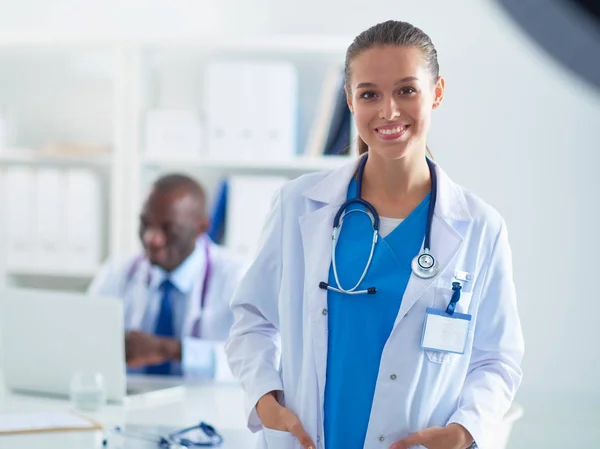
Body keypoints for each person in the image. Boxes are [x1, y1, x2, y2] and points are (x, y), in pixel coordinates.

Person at [225, 20, 524, 449]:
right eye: (369, 94)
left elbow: (497, 359)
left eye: (407, 90)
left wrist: (466, 429)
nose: (388, 111)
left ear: (436, 92)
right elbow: (251, 319)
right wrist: (265, 397)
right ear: (349, 100)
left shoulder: (479, 227)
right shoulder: (298, 205)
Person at [89, 173, 246, 378]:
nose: (152, 239)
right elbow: (83, 340)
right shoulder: (117, 272)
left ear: (201, 227)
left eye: (169, 228)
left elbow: (253, 362)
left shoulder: (237, 278)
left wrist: (170, 350)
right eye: (145, 224)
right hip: (131, 401)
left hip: (208, 405)